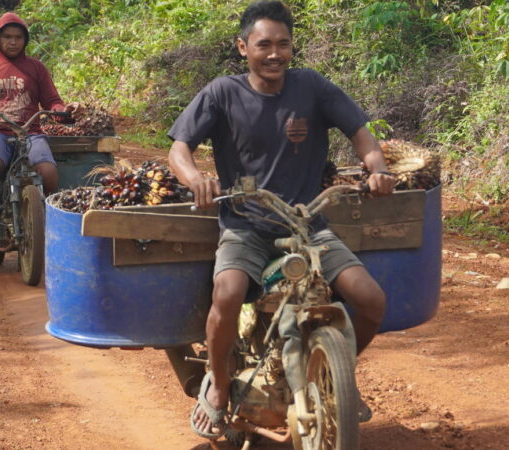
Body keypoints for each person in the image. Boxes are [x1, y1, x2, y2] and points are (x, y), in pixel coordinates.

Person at [167, 0, 396, 439]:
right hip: (246, 225)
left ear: (293, 47)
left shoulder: (312, 87)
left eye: (283, 44)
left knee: (370, 299)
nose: (274, 54)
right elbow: (179, 149)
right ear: (243, 47)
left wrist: (377, 168)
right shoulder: (221, 93)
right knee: (228, 292)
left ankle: (335, 378)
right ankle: (217, 387)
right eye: (264, 44)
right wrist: (194, 177)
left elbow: (361, 134)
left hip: (308, 224)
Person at [0, 12, 78, 251]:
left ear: (25, 40)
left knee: (48, 172)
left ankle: (46, 222)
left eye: (18, 37)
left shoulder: (36, 68)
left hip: (30, 132)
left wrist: (64, 110)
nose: (12, 42)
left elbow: (52, 100)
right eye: (7, 37)